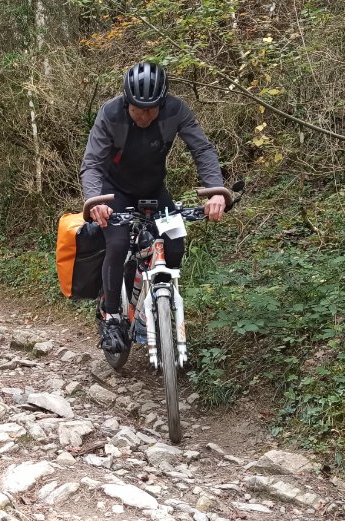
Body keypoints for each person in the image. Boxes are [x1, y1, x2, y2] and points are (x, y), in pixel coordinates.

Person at [80, 62, 226, 354]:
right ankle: (112, 317)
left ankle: (161, 307)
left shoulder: (176, 111)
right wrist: (95, 201)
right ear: (127, 101)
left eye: (151, 109)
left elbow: (202, 150)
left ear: (162, 102)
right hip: (114, 193)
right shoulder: (110, 113)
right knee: (118, 243)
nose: (144, 115)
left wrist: (216, 192)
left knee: (175, 244)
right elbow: (92, 163)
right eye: (137, 109)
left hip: (154, 190)